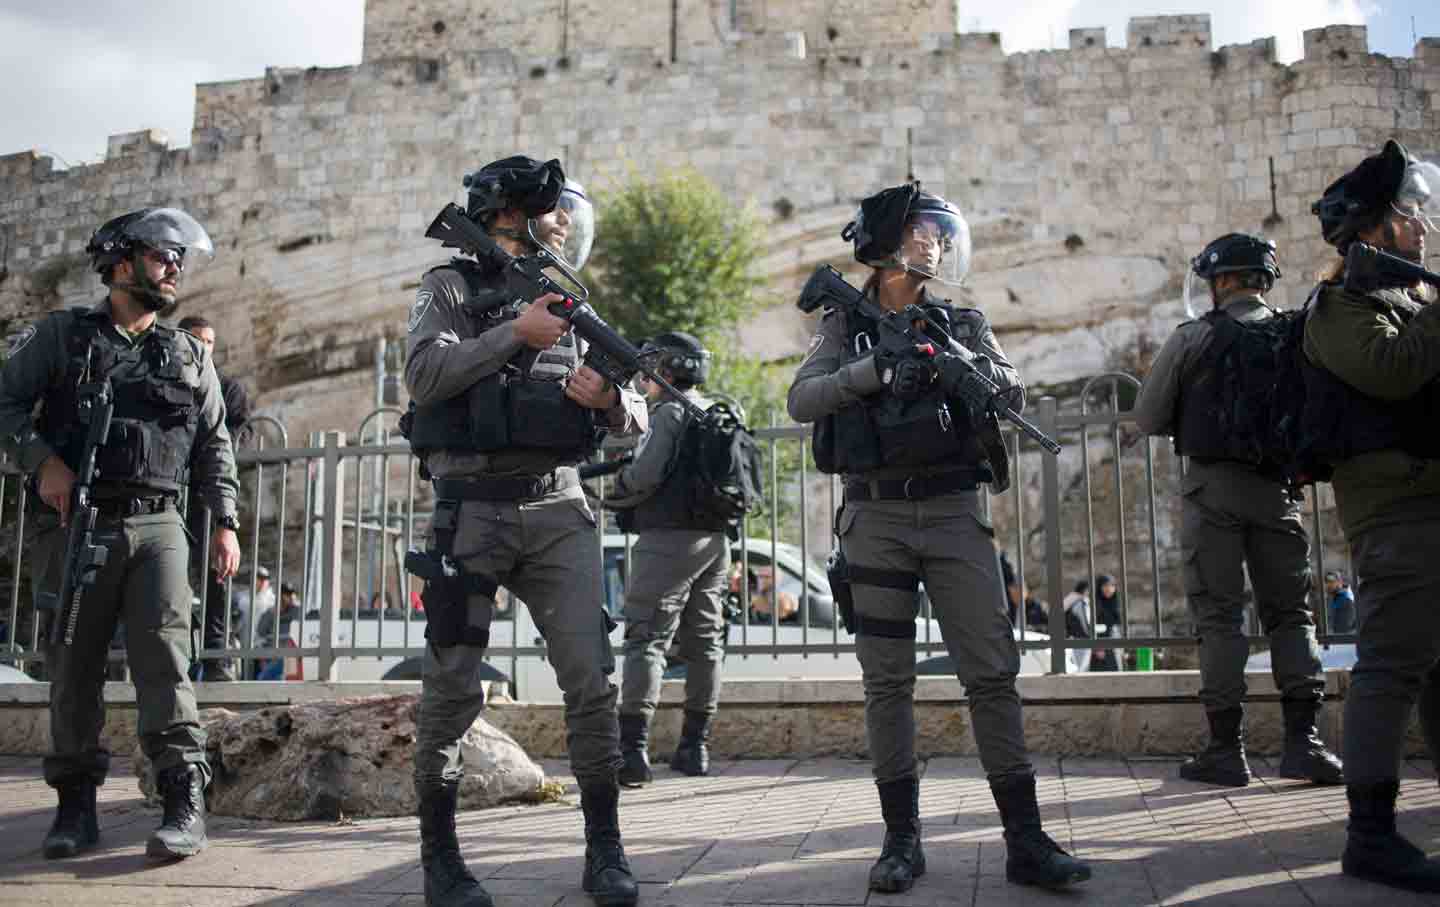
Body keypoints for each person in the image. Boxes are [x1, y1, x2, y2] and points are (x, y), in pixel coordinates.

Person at [787, 184, 1090, 894]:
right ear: (890, 240)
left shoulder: (962, 318)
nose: (937, 243)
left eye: (940, 233)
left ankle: (1025, 838)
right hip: (876, 518)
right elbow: (802, 398)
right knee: (887, 681)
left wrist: (958, 358)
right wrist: (876, 371)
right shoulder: (844, 324)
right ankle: (901, 840)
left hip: (956, 513)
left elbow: (1011, 393)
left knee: (990, 671)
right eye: (924, 230)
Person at [403, 156, 647, 907]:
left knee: (591, 680)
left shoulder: (570, 294)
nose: (568, 220)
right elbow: (424, 375)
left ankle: (605, 847)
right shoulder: (447, 285)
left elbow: (634, 419)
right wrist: (515, 330)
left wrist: (608, 400)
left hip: (557, 510)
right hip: (470, 509)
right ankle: (441, 856)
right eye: (554, 208)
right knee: (450, 686)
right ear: (507, 214)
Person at [0, 208, 241, 861]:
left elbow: (214, 443)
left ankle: (182, 800)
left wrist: (224, 521)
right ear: (121, 261)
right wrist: (43, 460)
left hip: (159, 522)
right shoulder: (62, 338)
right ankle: (75, 804)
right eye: (163, 255)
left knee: (165, 659)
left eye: (177, 258)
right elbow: (6, 400)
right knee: (73, 665)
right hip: (77, 523)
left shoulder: (188, 353)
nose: (174, 268)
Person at [1133, 232, 1342, 789]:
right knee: (1292, 615)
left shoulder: (1193, 338)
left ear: (1221, 282)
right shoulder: (1294, 335)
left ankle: (1227, 751)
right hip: (1278, 494)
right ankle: (1306, 744)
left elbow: (1149, 417)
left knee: (1221, 619)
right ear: (1264, 281)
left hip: (1213, 494)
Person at [1303, 139, 1440, 892]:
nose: (1419, 225)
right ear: (1370, 233)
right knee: (1388, 668)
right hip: (1394, 512)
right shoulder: (1339, 307)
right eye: (1405, 215)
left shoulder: (1403, 299)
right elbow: (1391, 371)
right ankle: (1371, 833)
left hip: (1427, 501)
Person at [603, 332, 731, 787]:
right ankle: (695, 747)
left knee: (646, 641)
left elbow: (645, 475)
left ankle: (633, 754)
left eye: (655, 366)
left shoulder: (670, 413)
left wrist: (619, 486)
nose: (647, 374)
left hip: (668, 540)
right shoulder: (717, 409)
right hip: (716, 542)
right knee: (705, 643)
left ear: (670, 368)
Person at [177, 314, 251, 682]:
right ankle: (180, 654)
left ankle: (216, 656)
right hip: (170, 491)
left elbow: (234, 435)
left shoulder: (227, 387)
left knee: (216, 577)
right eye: (196, 340)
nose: (203, 348)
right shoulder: (168, 380)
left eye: (209, 342)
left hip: (209, 495)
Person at [1089, 574, 1121, 672]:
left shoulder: (1114, 603)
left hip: (1114, 644)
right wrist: (1097, 647)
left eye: (1112, 585)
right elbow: (1092, 626)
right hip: (1100, 646)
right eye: (1105, 585)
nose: (1109, 589)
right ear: (1099, 587)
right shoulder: (1095, 604)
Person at [1062, 581, 1093, 672]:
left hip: (1070, 637)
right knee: (1081, 667)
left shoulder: (1070, 599)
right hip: (1081, 638)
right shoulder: (1080, 602)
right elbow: (1084, 622)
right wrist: (1089, 634)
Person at [1323, 570, 1356, 635]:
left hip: (1345, 638)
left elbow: (1351, 621)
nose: (1328, 584)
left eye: (1331, 581)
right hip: (1333, 637)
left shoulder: (1347, 598)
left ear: (1339, 582)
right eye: (1326, 581)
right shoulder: (1331, 597)